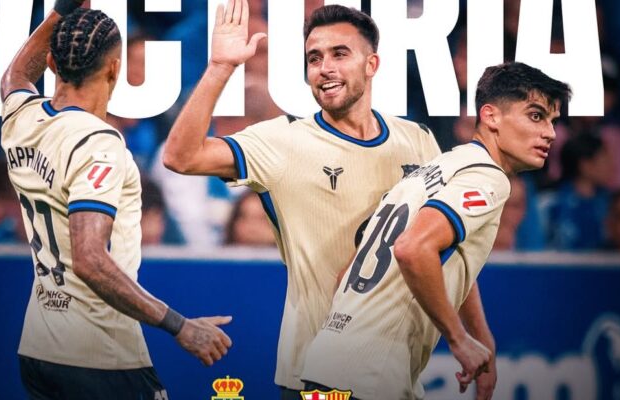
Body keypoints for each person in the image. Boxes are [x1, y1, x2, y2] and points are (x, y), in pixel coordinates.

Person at [163, 1, 495, 397]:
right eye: (314, 58)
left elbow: (450, 252)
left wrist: (481, 340)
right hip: (315, 377)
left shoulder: (418, 140)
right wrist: (221, 67)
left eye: (340, 54)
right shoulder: (283, 142)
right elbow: (180, 157)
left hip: (393, 375)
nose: (325, 68)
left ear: (372, 64)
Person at [0, 2, 231, 398]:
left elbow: (16, 74)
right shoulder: (98, 144)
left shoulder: (21, 118)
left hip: (39, 351)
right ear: (114, 69)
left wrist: (61, 10)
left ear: (52, 63)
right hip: (100, 356)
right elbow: (89, 258)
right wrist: (180, 326)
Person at [300, 62, 571, 400]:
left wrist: (481, 337)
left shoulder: (432, 169)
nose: (550, 133)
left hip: (326, 364)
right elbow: (413, 249)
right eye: (536, 116)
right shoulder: (487, 178)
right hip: (371, 376)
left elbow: (348, 273)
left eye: (552, 121)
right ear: (490, 116)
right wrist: (459, 339)